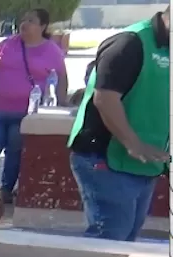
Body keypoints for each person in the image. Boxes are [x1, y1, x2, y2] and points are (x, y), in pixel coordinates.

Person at [67, 9, 170, 241]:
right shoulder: (130, 43)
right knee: (111, 237)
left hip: (146, 163)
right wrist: (133, 142)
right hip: (105, 157)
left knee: (127, 239)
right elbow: (105, 98)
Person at [0, 8, 68, 204]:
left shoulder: (52, 51)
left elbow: (61, 81)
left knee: (15, 154)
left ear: (42, 26)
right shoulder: (7, 44)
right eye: (23, 20)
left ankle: (5, 191)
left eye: (31, 21)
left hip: (25, 114)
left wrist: (59, 108)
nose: (24, 24)